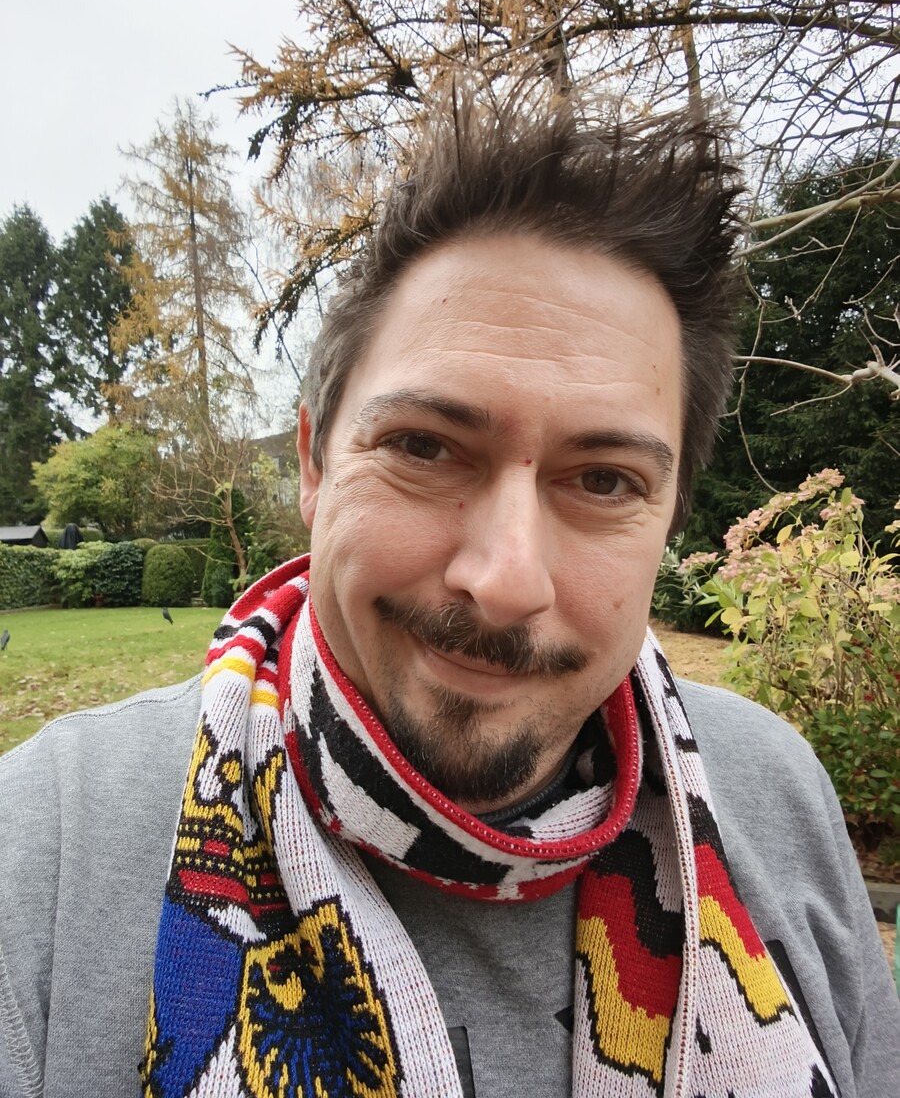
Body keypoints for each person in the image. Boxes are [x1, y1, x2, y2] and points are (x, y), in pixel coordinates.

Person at [1, 79, 897, 1098]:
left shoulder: (774, 795)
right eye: (425, 447)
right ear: (314, 462)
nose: (506, 582)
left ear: (669, 519)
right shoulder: (46, 853)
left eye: (605, 481)